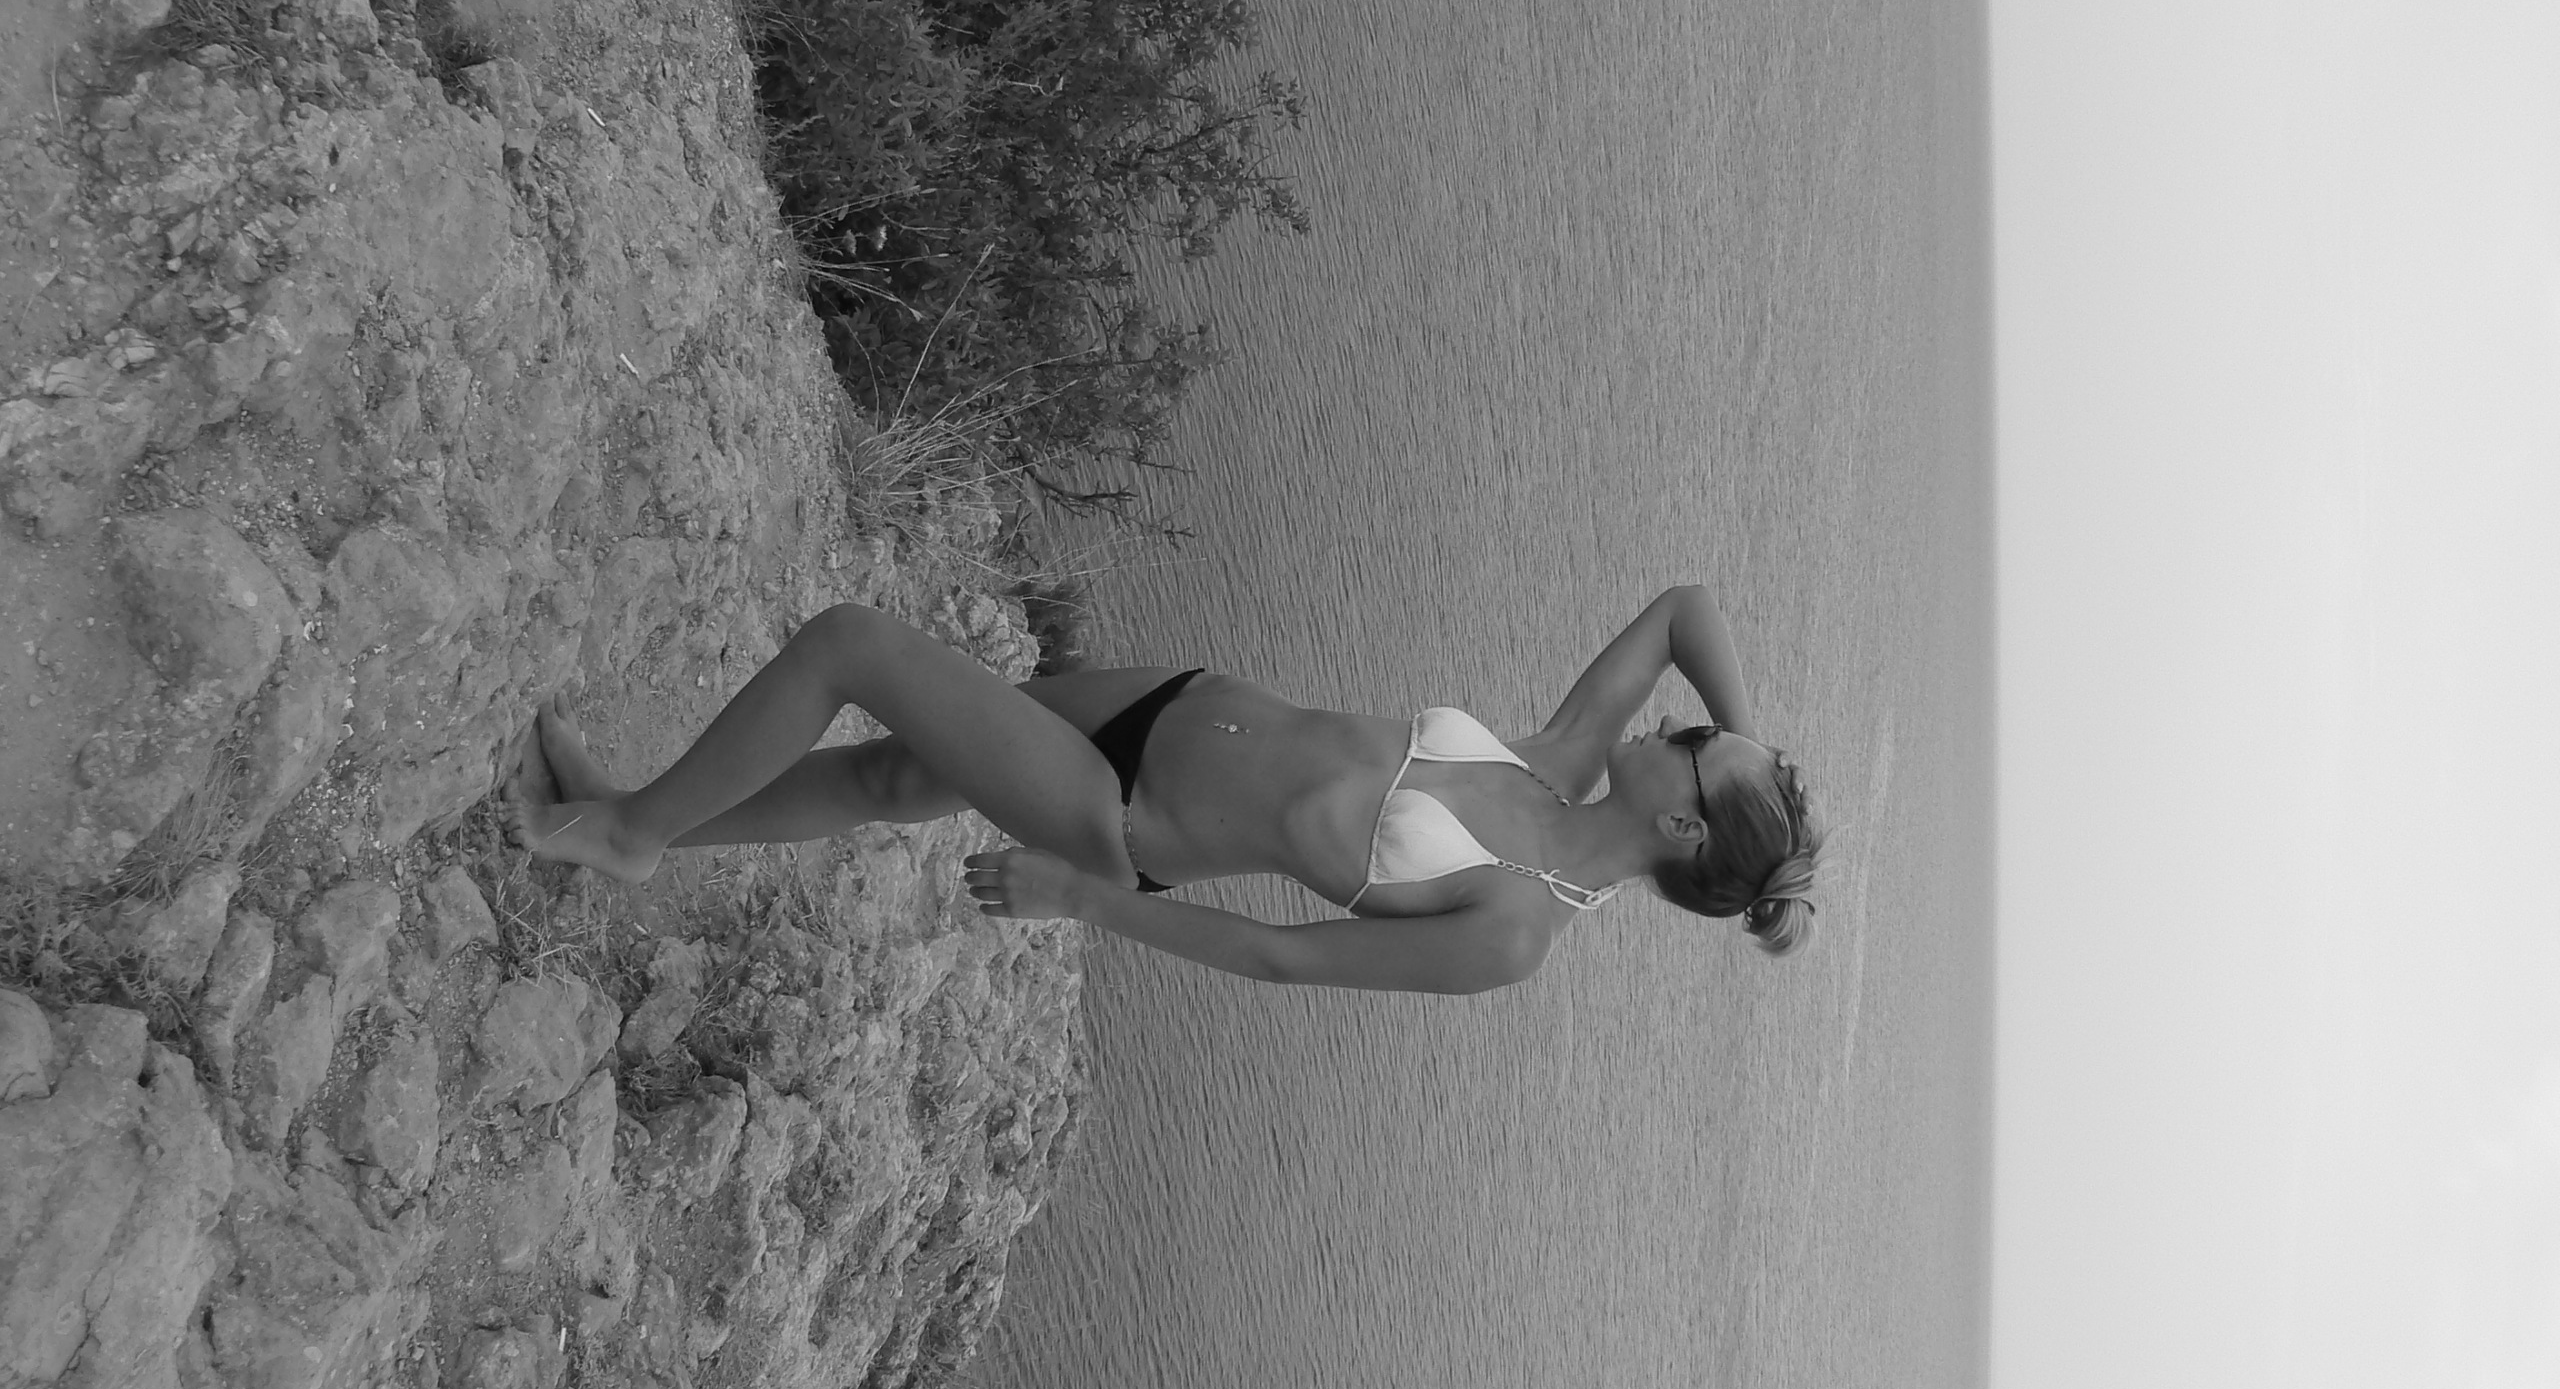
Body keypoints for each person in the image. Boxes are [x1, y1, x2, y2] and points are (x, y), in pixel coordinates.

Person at [506, 584, 1821, 993]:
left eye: (1698, 746)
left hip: (1119, 814)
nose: (1685, 723)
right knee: (896, 771)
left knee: (851, 647)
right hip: (1172, 701)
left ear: (1679, 822)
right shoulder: (1562, 761)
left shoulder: (1513, 932)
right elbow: (1687, 607)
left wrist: (1085, 898)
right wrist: (1748, 762)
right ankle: (647, 812)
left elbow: (1278, 958)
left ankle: (628, 832)